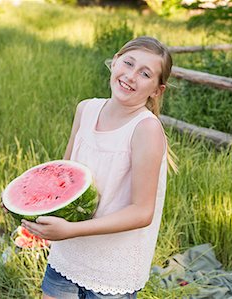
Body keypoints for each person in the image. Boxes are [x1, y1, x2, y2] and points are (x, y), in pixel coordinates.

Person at [21, 36, 176, 299]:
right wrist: (24, 204)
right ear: (115, 62)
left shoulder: (145, 129)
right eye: (128, 63)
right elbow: (62, 178)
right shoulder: (86, 109)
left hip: (111, 268)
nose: (131, 76)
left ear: (156, 90)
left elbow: (142, 212)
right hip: (67, 255)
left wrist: (69, 230)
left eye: (145, 73)